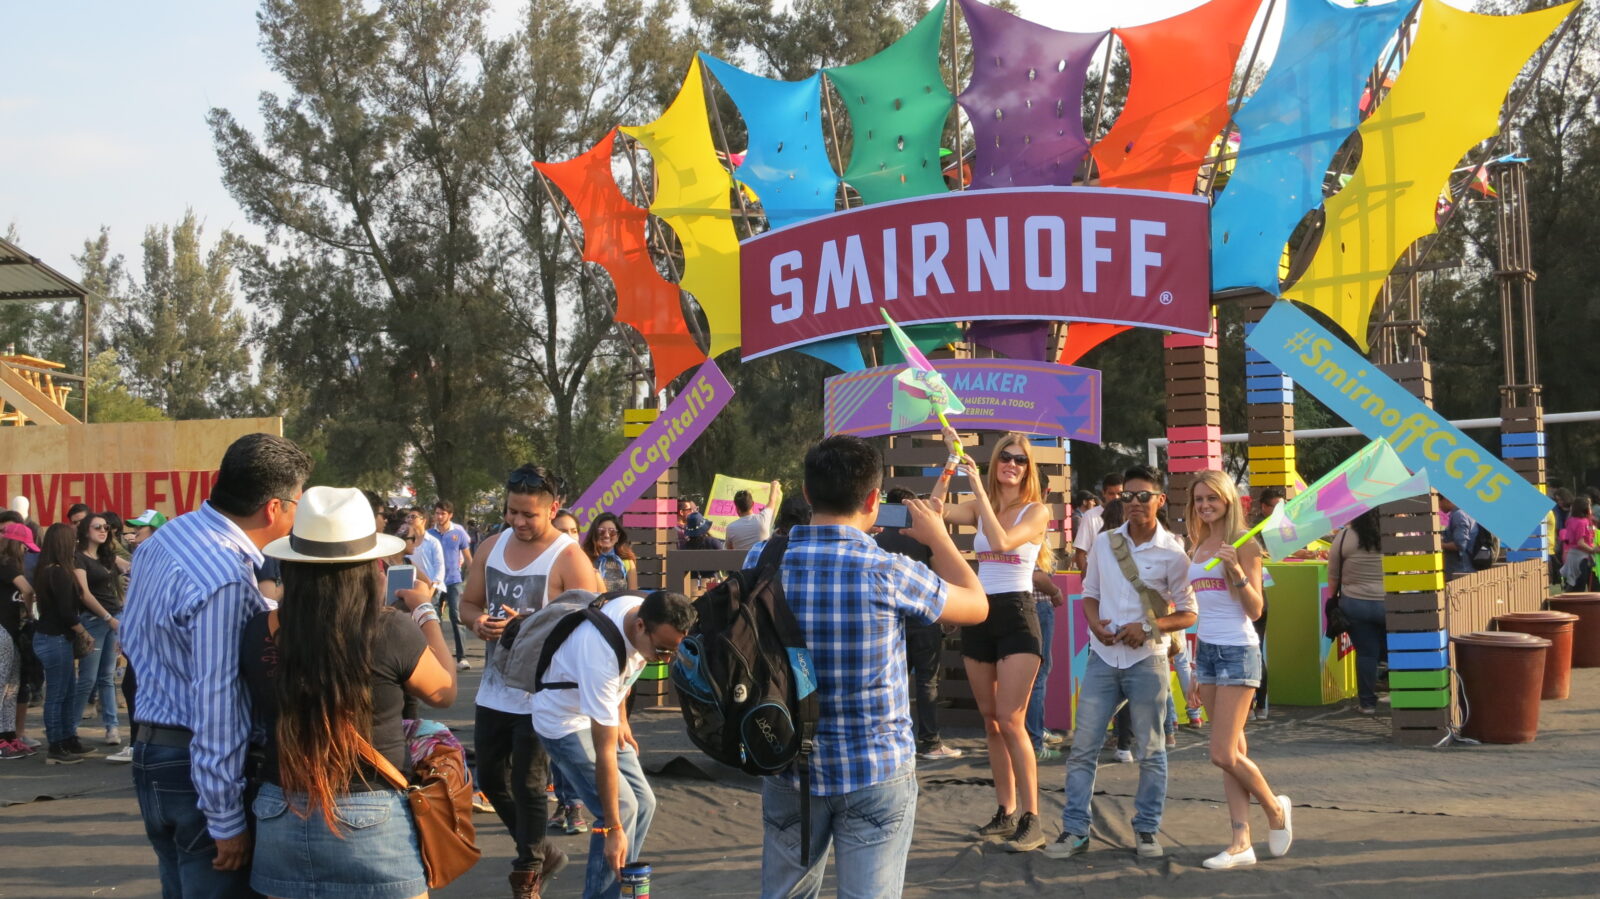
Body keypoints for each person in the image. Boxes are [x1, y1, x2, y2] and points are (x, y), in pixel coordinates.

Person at [758, 436, 986, 897]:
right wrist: (938, 536)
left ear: (807, 493)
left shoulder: (763, 561)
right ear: (873, 500)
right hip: (874, 766)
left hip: (787, 762)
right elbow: (976, 604)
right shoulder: (889, 571)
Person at [237, 486, 455, 899]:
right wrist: (425, 611)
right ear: (369, 566)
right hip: (372, 817)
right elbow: (444, 690)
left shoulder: (259, 630)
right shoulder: (390, 629)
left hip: (279, 812)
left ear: (293, 566)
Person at [122, 432, 312, 896]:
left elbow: (132, 638)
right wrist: (225, 817)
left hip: (152, 753)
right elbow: (218, 702)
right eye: (298, 504)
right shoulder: (225, 579)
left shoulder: (170, 536)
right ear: (274, 508)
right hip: (196, 769)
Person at [1046, 465, 1197, 861]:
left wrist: (1148, 628)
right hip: (1103, 658)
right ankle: (1075, 831)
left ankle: (1147, 829)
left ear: (1160, 500)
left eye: (1143, 496)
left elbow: (1188, 613)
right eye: (1126, 496)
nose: (1133, 502)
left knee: (1152, 751)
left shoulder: (1173, 553)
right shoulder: (1104, 542)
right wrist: (1094, 625)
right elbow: (1090, 593)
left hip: (1148, 661)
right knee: (1083, 749)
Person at [462, 465, 599, 899]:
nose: (517, 521)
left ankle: (529, 871)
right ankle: (541, 850)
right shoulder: (491, 547)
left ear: (553, 509)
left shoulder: (569, 557)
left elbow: (594, 626)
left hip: (542, 694)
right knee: (490, 781)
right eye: (511, 511)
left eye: (528, 514)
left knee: (529, 784)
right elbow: (468, 604)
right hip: (494, 689)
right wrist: (477, 623)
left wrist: (531, 625)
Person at [928, 429, 1052, 851]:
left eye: (1020, 460)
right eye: (1005, 457)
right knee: (991, 721)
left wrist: (978, 487)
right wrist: (951, 461)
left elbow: (1001, 540)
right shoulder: (981, 508)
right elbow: (933, 512)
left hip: (1017, 613)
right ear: (995, 462)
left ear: (1028, 468)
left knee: (1012, 720)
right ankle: (1006, 810)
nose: (1012, 465)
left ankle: (1033, 818)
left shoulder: (1036, 511)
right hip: (980, 612)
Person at [533, 589, 694, 899]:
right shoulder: (600, 655)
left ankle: (621, 885)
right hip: (563, 721)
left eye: (673, 651)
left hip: (597, 708)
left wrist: (621, 717)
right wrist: (613, 830)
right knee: (621, 808)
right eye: (662, 650)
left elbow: (628, 672)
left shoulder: (640, 609)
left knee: (644, 803)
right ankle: (603, 894)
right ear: (640, 626)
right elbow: (605, 752)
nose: (665, 659)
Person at [1184, 471, 1292, 868]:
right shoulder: (1197, 546)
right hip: (1208, 652)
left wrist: (1237, 572)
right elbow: (1203, 612)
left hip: (1238, 652)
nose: (1205, 505)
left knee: (1222, 752)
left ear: (1228, 500)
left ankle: (1275, 809)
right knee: (1234, 753)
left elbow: (1256, 610)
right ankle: (1241, 842)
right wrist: (1196, 667)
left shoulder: (1245, 543)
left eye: (1211, 498)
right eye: (1199, 499)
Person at [874, 487, 962, 762]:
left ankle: (893, 741)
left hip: (890, 620)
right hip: (924, 617)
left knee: (893, 681)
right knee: (927, 682)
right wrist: (947, 615)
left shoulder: (875, 539)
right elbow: (940, 576)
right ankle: (930, 742)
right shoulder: (923, 537)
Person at [34, 523, 95, 764]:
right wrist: (84, 633)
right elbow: (66, 612)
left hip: (54, 636)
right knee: (58, 693)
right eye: (73, 539)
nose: (76, 543)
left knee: (67, 690)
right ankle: (56, 745)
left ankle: (68, 738)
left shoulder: (46, 569)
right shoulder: (58, 572)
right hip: (55, 637)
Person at [71, 513, 129, 747]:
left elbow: (132, 568)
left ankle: (112, 727)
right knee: (87, 678)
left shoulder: (108, 556)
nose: (103, 530)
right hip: (95, 620)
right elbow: (84, 594)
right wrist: (108, 617)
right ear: (86, 531)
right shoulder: (78, 558)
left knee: (107, 677)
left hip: (114, 617)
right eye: (97, 527)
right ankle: (70, 728)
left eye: (106, 527)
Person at [1330, 509, 1386, 714]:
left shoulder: (1344, 536)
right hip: (1389, 604)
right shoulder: (1392, 534)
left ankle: (1367, 704)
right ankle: (1402, 697)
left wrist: (1332, 600)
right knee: (1395, 651)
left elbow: (1333, 574)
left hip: (1354, 603)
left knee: (1366, 654)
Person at [0, 524, 38, 759]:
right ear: (15, 544)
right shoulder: (6, 564)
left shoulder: (10, 565)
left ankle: (8, 736)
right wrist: (31, 612)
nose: (26, 550)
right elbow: (28, 589)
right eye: (24, 546)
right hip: (3, 630)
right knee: (4, 685)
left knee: (11, 687)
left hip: (10, 631)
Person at [430, 499, 474, 671]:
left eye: (443, 513)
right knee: (434, 619)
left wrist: (474, 577)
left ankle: (462, 657)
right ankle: (438, 657)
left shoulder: (458, 533)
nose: (439, 517)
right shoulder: (429, 535)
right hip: (435, 582)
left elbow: (468, 557)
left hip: (454, 580)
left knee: (457, 617)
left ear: (450, 515)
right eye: (437, 513)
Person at [1072, 472, 1124, 571]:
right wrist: (1088, 578)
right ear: (1103, 493)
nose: (1116, 497)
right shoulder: (1090, 516)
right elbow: (1080, 553)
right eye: (1111, 493)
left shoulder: (1131, 515)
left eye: (1119, 494)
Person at [583, 512, 638, 593]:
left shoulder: (627, 562)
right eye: (601, 531)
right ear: (594, 534)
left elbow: (632, 595)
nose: (606, 535)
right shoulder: (584, 560)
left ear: (618, 537)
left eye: (612, 532)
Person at [724, 481, 781, 551]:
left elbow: (729, 551)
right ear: (753, 504)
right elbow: (772, 500)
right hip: (762, 558)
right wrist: (774, 486)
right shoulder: (763, 518)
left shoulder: (730, 528)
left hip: (741, 558)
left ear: (737, 509)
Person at [1559, 496, 1597, 591]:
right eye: (1589, 506)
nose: (1591, 508)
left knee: (1576, 584)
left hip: (1573, 555)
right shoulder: (1582, 522)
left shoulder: (1571, 520)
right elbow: (1580, 542)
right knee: (1579, 585)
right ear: (1584, 508)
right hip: (1581, 557)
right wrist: (1593, 550)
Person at [1440, 496, 1479, 578]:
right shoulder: (1465, 513)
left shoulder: (1458, 515)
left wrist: (1441, 545)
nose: (1439, 506)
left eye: (1438, 502)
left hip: (1461, 570)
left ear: (1446, 499)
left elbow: (1460, 544)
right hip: (1465, 569)